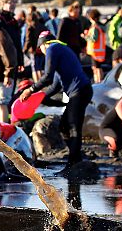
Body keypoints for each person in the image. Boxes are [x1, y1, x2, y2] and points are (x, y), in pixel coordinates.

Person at [20, 31, 93, 167]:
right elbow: (55, 86)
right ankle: (75, 158)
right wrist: (37, 98)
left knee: (73, 127)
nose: (41, 52)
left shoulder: (52, 49)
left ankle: (74, 162)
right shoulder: (60, 49)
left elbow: (47, 76)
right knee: (64, 126)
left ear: (43, 45)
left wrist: (30, 90)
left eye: (40, 48)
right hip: (81, 91)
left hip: (79, 91)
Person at [84, 8, 107, 83]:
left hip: (95, 52)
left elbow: (94, 39)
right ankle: (100, 82)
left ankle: (98, 82)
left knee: (96, 68)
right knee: (98, 67)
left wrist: (85, 36)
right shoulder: (100, 26)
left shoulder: (94, 27)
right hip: (99, 52)